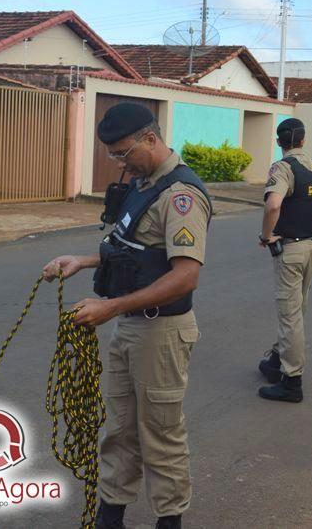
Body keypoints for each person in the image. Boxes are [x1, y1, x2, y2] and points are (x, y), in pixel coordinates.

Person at [43, 103, 211, 529]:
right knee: (121, 429)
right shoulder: (143, 184)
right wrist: (81, 261)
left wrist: (111, 307)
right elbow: (131, 253)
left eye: (122, 153)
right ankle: (111, 514)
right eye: (114, 156)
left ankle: (168, 520)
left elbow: (185, 276)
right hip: (130, 326)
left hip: (162, 332)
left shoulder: (181, 196)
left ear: (150, 139)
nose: (119, 163)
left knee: (161, 434)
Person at [257, 117, 312, 403]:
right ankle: (276, 358)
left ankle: (291, 380)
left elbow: (273, 204)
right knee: (297, 309)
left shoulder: (283, 168)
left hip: (291, 251)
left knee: (290, 313)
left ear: (279, 142)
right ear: (303, 140)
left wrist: (266, 235)